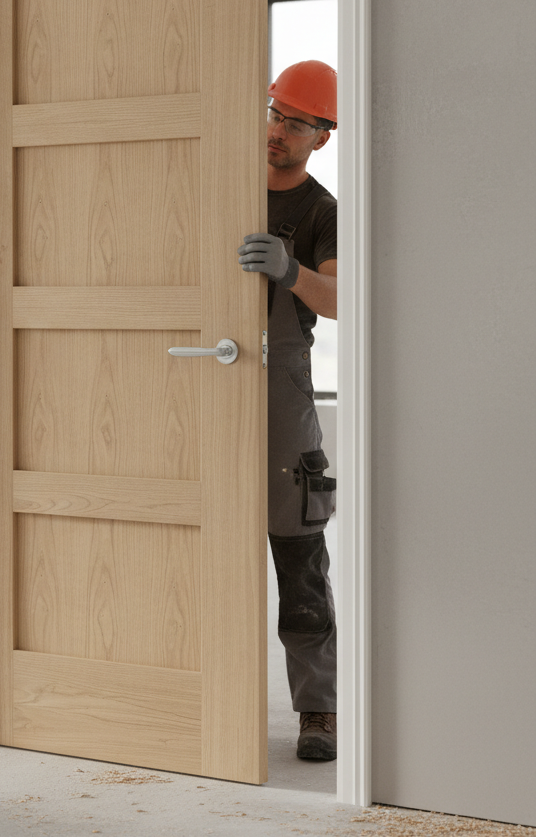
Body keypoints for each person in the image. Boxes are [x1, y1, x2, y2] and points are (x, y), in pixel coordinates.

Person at [236, 60, 339, 761]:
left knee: (299, 557)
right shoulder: (225, 184)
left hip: (284, 394)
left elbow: (342, 302)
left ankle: (317, 711)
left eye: (294, 122)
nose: (277, 130)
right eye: (274, 113)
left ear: (321, 136)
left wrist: (290, 272)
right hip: (212, 375)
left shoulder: (322, 212)